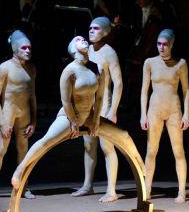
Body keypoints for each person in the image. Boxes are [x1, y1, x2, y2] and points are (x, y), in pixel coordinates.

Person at [11, 36, 144, 193]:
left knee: (124, 136)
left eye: (84, 39)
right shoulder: (70, 70)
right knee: (46, 141)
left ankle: (142, 167)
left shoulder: (96, 68)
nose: (84, 40)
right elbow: (66, 101)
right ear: (73, 49)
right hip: (69, 116)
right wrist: (73, 122)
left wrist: (95, 120)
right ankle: (19, 170)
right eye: (78, 40)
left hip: (89, 116)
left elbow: (100, 97)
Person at [71, 17, 123, 202]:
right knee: (88, 144)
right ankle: (88, 185)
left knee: (106, 145)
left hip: (104, 104)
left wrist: (113, 110)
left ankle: (111, 190)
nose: (91, 31)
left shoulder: (109, 53)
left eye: (96, 28)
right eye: (90, 28)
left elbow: (118, 83)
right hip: (88, 105)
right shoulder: (88, 50)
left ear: (106, 31)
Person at [140, 29, 189, 203]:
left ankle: (182, 191)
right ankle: (147, 190)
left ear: (172, 44)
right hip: (154, 109)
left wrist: (187, 115)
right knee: (151, 151)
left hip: (174, 110)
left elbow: (186, 90)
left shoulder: (180, 64)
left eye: (165, 44)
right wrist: (142, 114)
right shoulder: (150, 62)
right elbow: (144, 90)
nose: (161, 47)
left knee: (178, 151)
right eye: (159, 43)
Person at [0, 30, 37, 200]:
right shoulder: (4, 67)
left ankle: (24, 186)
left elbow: (32, 96)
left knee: (24, 151)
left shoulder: (31, 69)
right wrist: (1, 122)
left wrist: (34, 121)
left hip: (25, 115)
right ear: (15, 49)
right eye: (24, 48)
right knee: (1, 149)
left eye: (30, 48)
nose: (28, 51)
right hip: (8, 112)